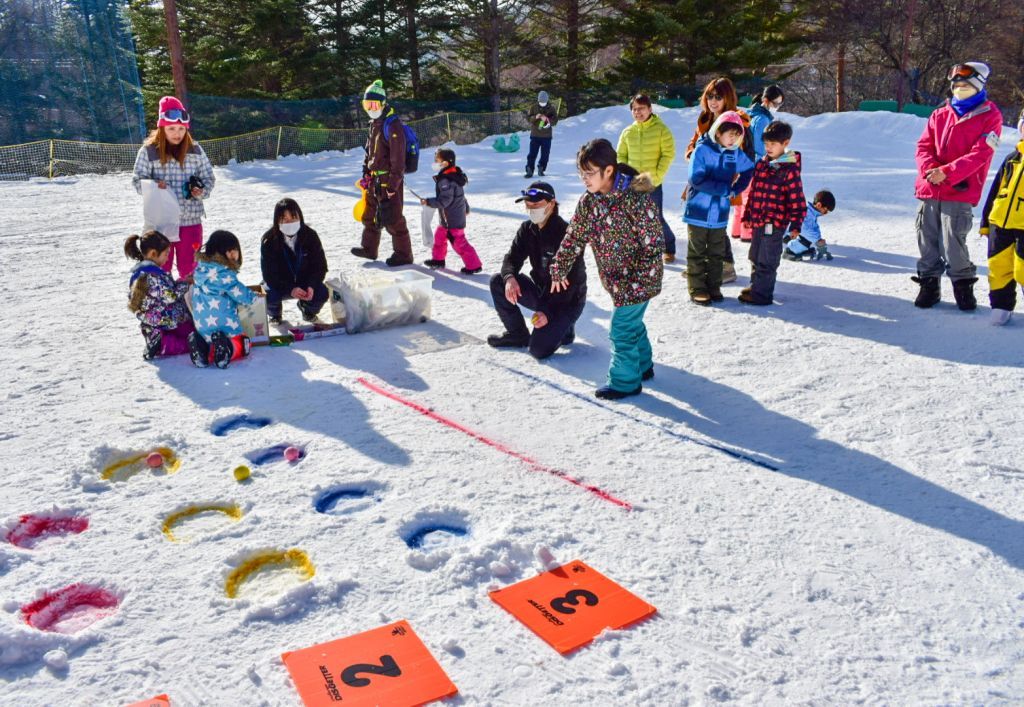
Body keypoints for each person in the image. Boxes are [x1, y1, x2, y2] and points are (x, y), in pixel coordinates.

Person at [550, 139, 663, 400]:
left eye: (589, 173)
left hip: (641, 279)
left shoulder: (636, 199)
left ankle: (625, 382)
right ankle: (642, 366)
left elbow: (654, 245)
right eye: (581, 173)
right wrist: (559, 267)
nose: (584, 179)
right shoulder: (589, 202)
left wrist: (635, 282)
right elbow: (574, 236)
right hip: (614, 279)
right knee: (631, 323)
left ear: (609, 170)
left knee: (621, 328)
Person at [913, 61, 1003, 311]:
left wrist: (948, 172)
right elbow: (923, 146)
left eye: (965, 84)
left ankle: (963, 286)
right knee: (926, 240)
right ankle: (929, 285)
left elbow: (981, 153)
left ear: (978, 86)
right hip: (930, 188)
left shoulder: (990, 116)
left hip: (959, 190)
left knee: (954, 243)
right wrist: (930, 170)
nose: (959, 89)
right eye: (956, 84)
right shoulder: (940, 113)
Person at [487, 181, 586, 359]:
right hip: (542, 293)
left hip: (567, 300)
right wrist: (509, 277)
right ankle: (517, 334)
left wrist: (547, 313)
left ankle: (564, 328)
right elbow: (512, 258)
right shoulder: (527, 229)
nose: (531, 209)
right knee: (498, 282)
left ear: (551, 203)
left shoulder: (566, 234)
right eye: (528, 205)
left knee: (538, 350)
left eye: (537, 205)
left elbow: (573, 283)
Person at [132, 96, 215, 279]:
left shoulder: (195, 150)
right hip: (161, 222)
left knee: (190, 268)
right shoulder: (149, 151)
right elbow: (137, 181)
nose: (177, 134)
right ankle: (162, 304)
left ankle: (188, 303)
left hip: (190, 221)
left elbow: (209, 177)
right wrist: (153, 186)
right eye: (171, 129)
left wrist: (201, 191)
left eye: (181, 129)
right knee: (161, 268)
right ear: (162, 128)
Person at [684, 77, 753, 283]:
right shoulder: (705, 118)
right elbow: (695, 141)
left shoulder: (735, 120)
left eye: (718, 97)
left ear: (727, 98)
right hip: (703, 179)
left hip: (723, 181)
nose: (713, 101)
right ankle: (701, 267)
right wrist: (691, 153)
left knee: (717, 226)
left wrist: (734, 180)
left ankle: (726, 266)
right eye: (710, 96)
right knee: (701, 224)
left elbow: (746, 153)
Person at [739, 121, 806, 306]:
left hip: (774, 223)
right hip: (759, 221)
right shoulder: (761, 164)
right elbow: (753, 193)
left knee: (767, 259)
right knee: (755, 255)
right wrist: (747, 215)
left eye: (773, 144)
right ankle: (755, 287)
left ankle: (762, 295)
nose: (768, 148)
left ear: (785, 143)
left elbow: (797, 200)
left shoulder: (789, 170)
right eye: (766, 144)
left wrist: (796, 224)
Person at [351, 80, 414, 266]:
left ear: (383, 104)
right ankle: (369, 249)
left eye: (375, 104)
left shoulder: (392, 125)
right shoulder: (374, 123)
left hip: (388, 179)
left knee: (393, 218)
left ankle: (404, 254)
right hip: (374, 179)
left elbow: (398, 158)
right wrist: (366, 172)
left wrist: (393, 184)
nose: (371, 108)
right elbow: (369, 150)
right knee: (369, 214)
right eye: (367, 104)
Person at [188, 230, 262, 369]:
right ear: (218, 253)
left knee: (211, 349)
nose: (233, 255)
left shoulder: (201, 270)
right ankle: (227, 347)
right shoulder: (224, 274)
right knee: (243, 343)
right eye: (228, 251)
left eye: (235, 250)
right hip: (224, 326)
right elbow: (240, 293)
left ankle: (201, 346)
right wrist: (254, 298)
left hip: (202, 326)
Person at [617, 94, 678, 263]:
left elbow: (668, 154)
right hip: (633, 183)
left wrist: (657, 176)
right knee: (633, 218)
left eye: (641, 108)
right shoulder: (627, 132)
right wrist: (626, 175)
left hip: (652, 183)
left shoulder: (661, 129)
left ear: (650, 109)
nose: (638, 112)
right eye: (634, 109)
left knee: (655, 217)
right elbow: (621, 156)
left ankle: (669, 247)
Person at [979, 107, 1024, 325]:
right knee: (998, 266)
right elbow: (995, 190)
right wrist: (986, 222)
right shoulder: (1012, 158)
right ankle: (1001, 305)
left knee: (1022, 268)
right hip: (1000, 222)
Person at [124, 230, 195, 360]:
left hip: (151, 319)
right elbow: (170, 296)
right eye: (166, 254)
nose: (168, 258)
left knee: (184, 332)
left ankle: (154, 336)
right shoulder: (153, 275)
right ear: (153, 253)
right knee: (191, 337)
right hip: (166, 318)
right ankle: (163, 344)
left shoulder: (140, 272)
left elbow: (162, 292)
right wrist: (186, 284)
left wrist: (180, 282)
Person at [260, 198, 329, 324]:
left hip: (304, 282)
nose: (289, 222)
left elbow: (320, 266)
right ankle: (275, 314)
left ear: (300, 217)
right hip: (281, 284)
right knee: (267, 295)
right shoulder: (269, 241)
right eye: (284, 219)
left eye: (293, 217)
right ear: (277, 220)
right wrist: (290, 289)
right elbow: (269, 275)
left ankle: (307, 310)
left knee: (322, 292)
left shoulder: (310, 236)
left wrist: (311, 285)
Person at [731, 85, 784, 243]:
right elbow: (760, 146)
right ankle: (747, 232)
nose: (777, 106)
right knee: (751, 198)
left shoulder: (751, 114)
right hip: (752, 163)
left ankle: (736, 230)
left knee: (741, 196)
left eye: (780, 103)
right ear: (766, 100)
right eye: (776, 103)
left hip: (742, 161)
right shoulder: (763, 119)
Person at [420, 148, 482, 274]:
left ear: (445, 163)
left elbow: (445, 201)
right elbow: (460, 195)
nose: (434, 163)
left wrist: (428, 202)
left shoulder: (446, 180)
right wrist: (466, 207)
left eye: (437, 160)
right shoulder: (453, 175)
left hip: (452, 219)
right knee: (439, 237)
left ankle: (474, 265)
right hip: (448, 218)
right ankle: (438, 260)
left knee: (459, 243)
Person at [783, 190, 837, 262]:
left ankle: (795, 244)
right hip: (787, 234)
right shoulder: (808, 217)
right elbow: (807, 230)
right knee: (806, 241)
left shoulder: (809, 211)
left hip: (789, 232)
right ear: (819, 205)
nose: (826, 213)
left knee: (807, 238)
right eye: (826, 210)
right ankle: (791, 250)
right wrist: (819, 241)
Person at [525, 91, 558, 178]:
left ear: (547, 101)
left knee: (545, 154)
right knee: (532, 154)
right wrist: (535, 117)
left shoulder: (551, 108)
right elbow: (528, 118)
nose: (542, 104)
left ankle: (541, 168)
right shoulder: (533, 107)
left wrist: (547, 119)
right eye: (540, 102)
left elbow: (555, 121)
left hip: (546, 137)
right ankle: (529, 170)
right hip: (535, 135)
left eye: (544, 102)